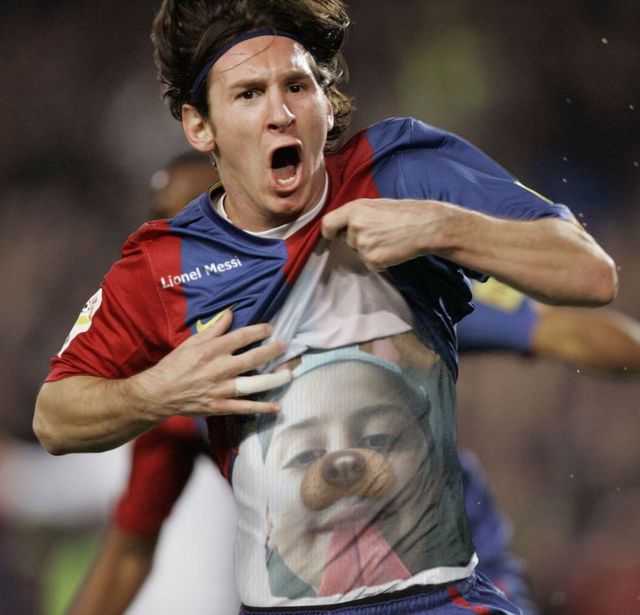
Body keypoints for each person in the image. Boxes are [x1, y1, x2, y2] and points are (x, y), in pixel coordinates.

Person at [33, 1, 618, 613]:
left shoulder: (398, 173)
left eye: (297, 86)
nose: (281, 113)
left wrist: (441, 225)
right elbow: (54, 418)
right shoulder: (164, 264)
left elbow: (590, 273)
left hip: (436, 599)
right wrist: (157, 391)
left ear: (326, 101)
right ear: (200, 126)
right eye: (249, 94)